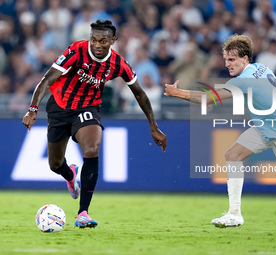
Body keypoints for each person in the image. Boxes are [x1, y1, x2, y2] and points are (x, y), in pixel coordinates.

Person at [164, 34, 276, 228]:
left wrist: (177, 92)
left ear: (245, 59)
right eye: (225, 60)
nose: (227, 64)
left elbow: (208, 99)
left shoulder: (243, 80)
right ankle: (235, 214)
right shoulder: (260, 67)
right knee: (232, 154)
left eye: (232, 59)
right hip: (264, 128)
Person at [22, 20, 167, 229]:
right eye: (94, 39)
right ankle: (71, 175)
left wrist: (153, 126)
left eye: (103, 41)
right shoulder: (76, 51)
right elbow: (46, 79)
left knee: (92, 148)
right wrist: (33, 109)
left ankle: (83, 213)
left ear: (112, 41)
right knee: (54, 164)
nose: (97, 44)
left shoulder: (119, 63)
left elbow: (140, 94)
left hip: (88, 108)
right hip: (59, 108)